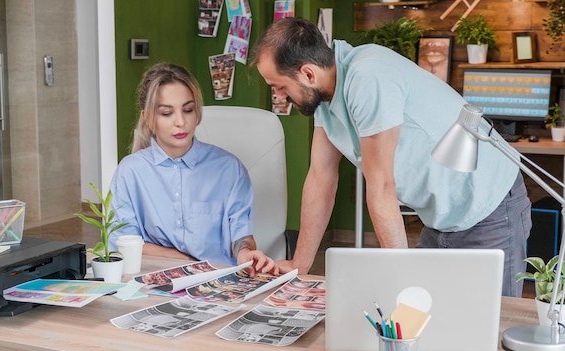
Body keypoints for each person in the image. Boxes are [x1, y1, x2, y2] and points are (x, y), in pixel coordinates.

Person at [251, 17, 531, 297]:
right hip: (441, 218)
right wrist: (300, 265)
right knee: (425, 317)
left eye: (279, 86)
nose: (278, 95)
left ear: (307, 74)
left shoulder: (368, 77)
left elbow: (382, 186)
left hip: (489, 207)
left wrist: (400, 280)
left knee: (492, 325)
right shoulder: (326, 96)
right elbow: (320, 178)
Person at [108, 63, 278, 276]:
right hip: (154, 283)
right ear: (148, 118)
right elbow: (123, 243)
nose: (181, 122)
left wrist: (245, 253)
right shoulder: (130, 172)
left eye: (188, 110)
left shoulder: (230, 169)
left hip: (219, 283)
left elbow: (241, 236)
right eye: (167, 113)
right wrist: (189, 262)